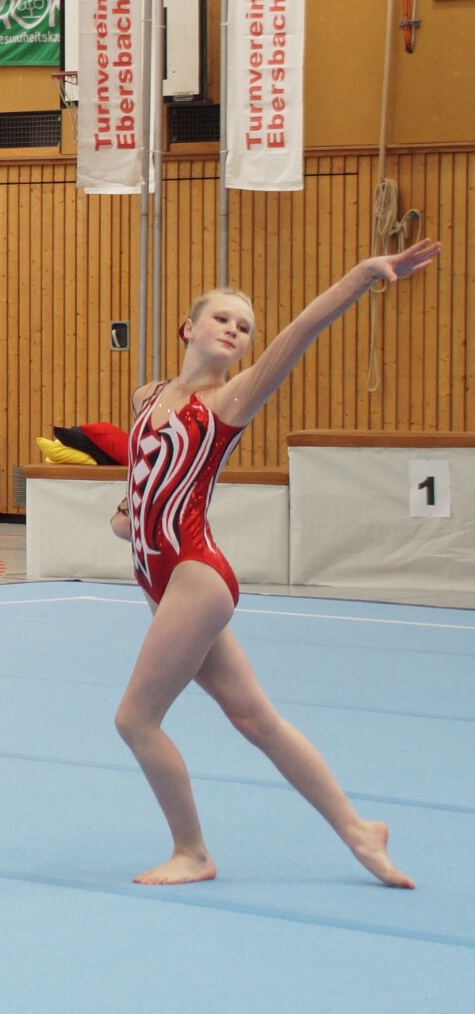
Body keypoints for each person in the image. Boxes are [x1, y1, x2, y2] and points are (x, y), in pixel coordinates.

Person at [109, 242, 438, 889]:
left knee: (135, 720)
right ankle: (358, 830)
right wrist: (127, 510)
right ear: (187, 328)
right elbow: (145, 473)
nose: (234, 330)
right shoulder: (147, 395)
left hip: (194, 574)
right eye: (222, 318)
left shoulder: (230, 400)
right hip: (159, 574)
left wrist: (359, 278)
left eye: (244, 327)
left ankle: (191, 852)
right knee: (255, 717)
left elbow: (300, 332)